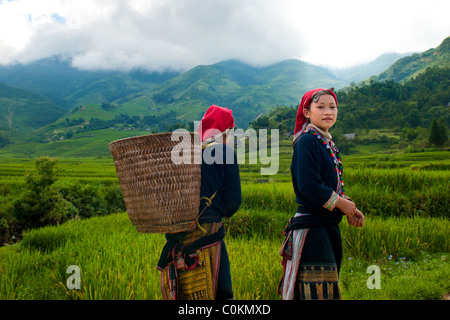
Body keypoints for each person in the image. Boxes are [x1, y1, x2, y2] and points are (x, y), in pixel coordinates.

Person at [278, 88, 364, 300]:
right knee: (317, 293)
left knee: (325, 290)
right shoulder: (307, 141)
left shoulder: (327, 142)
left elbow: (330, 185)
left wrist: (349, 206)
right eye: (321, 107)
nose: (328, 112)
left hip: (326, 227)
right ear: (307, 112)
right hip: (313, 232)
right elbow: (309, 185)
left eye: (332, 107)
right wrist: (340, 204)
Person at [157, 105, 241, 300]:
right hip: (208, 231)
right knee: (220, 292)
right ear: (227, 130)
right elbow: (233, 201)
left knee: (185, 293)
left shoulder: (184, 153)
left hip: (178, 233)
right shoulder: (224, 152)